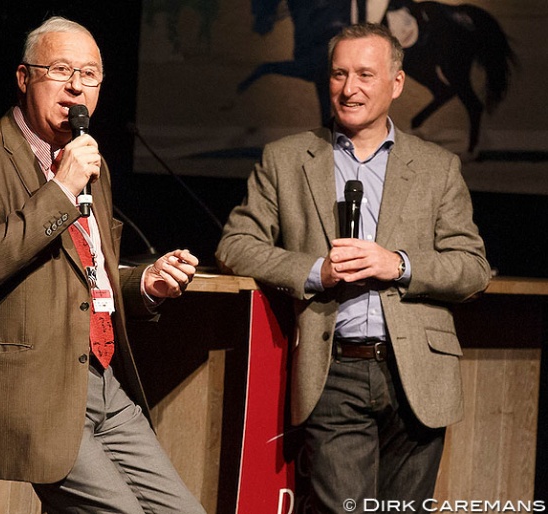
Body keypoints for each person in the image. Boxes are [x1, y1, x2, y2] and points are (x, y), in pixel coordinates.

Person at [0, 16, 206, 514]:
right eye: (60, 70)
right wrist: (59, 189)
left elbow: (84, 278)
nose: (76, 86)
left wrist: (145, 283)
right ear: (24, 78)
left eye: (90, 74)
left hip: (101, 379)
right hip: (28, 387)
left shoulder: (89, 165)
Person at [216, 22, 490, 513]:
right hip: (334, 367)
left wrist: (399, 264)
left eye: (365, 74)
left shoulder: (437, 167)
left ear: (397, 83)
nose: (349, 88)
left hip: (418, 373)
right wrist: (315, 271)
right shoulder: (286, 159)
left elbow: (472, 268)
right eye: (339, 74)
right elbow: (236, 244)